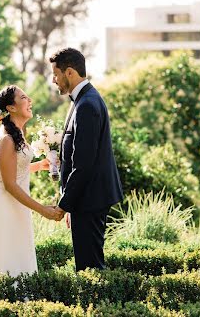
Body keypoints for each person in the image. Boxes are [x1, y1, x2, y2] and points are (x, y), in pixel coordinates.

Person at [0, 84, 62, 277]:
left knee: (19, 261)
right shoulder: (6, 140)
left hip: (17, 207)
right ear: (11, 107)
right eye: (24, 97)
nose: (30, 101)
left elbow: (14, 168)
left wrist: (40, 165)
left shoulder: (17, 135)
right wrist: (43, 210)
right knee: (7, 263)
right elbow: (10, 184)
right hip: (5, 208)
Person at [50, 47, 123, 271]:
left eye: (55, 74)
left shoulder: (87, 105)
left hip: (90, 199)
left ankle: (98, 306)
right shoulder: (81, 101)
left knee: (90, 268)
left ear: (69, 72)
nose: (53, 80)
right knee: (88, 265)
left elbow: (83, 164)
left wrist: (65, 204)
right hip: (85, 200)